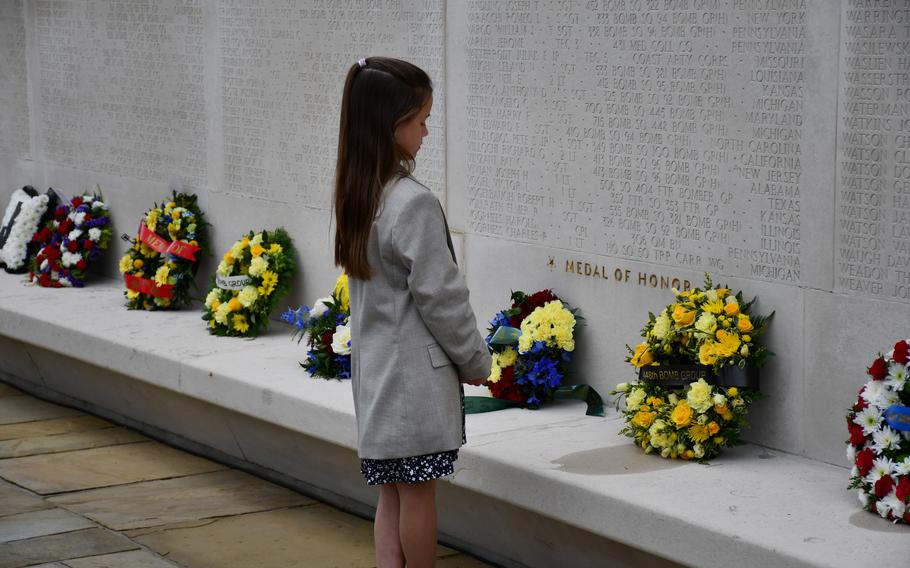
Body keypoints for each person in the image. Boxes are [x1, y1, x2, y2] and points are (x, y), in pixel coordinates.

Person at [333, 57, 492, 568]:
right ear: (390, 124)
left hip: (378, 379)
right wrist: (476, 360)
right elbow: (442, 297)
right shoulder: (411, 203)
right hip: (412, 386)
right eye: (421, 120)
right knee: (418, 493)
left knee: (393, 493)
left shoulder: (359, 194)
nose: (427, 131)